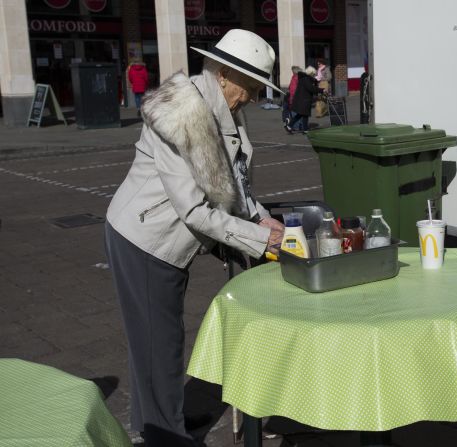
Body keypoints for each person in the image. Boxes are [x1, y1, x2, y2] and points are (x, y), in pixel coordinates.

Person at [104, 29, 285, 446]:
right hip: (143, 241)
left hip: (165, 240)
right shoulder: (182, 113)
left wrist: (260, 218)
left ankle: (162, 420)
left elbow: (234, 182)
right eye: (253, 86)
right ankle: (165, 435)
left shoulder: (224, 107)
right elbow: (195, 210)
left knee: (154, 342)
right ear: (223, 73)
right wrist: (259, 241)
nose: (255, 97)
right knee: (159, 345)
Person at [289, 66, 322, 133]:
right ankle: (304, 129)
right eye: (314, 74)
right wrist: (322, 90)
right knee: (303, 114)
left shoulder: (305, 79)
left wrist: (315, 82)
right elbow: (311, 88)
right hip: (303, 100)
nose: (314, 75)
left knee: (302, 114)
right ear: (311, 73)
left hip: (303, 99)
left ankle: (291, 126)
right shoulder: (306, 79)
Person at [283, 65, 301, 132]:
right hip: (292, 97)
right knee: (294, 112)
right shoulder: (294, 77)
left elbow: (295, 89)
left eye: (292, 70)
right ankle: (296, 126)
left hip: (295, 98)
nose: (292, 72)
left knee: (295, 113)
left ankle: (296, 127)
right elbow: (291, 87)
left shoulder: (296, 78)